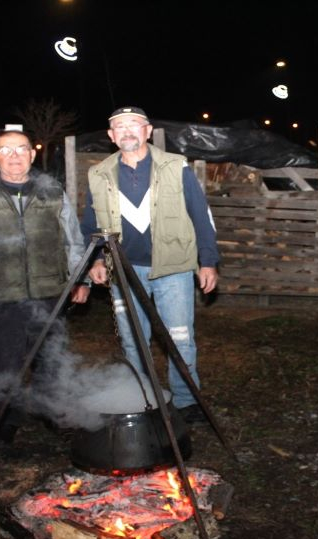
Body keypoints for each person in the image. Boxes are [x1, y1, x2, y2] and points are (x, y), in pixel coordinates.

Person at [0, 130, 90, 445]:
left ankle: (52, 413)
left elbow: (72, 240)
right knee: (6, 362)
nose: (14, 156)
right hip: (1, 294)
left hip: (50, 290)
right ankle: (3, 424)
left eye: (21, 149)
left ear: (32, 155)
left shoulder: (52, 191)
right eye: (5, 150)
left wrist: (81, 278)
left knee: (51, 357)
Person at [81, 106, 219, 425]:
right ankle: (143, 398)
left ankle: (186, 402)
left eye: (135, 125)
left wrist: (208, 261)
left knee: (179, 337)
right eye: (120, 127)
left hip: (174, 268)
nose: (127, 131)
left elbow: (201, 215)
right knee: (133, 339)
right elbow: (91, 221)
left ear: (147, 131)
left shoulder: (174, 165)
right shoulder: (98, 173)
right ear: (111, 136)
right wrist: (96, 259)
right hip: (124, 270)